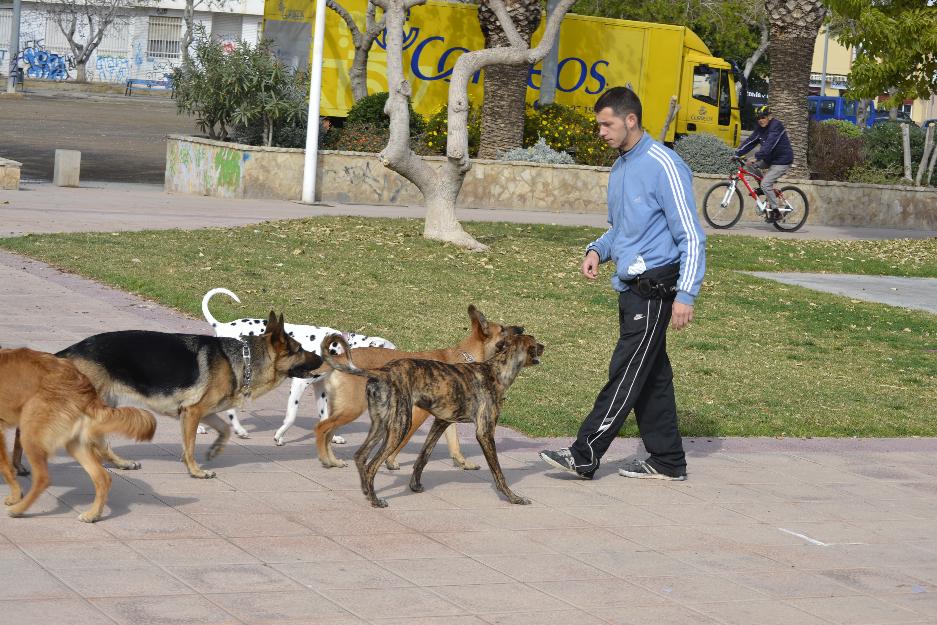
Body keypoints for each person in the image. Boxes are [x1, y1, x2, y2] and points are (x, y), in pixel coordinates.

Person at [539, 87, 706, 481]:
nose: (600, 132)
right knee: (652, 378)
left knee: (626, 371)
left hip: (656, 288)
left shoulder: (664, 164)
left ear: (631, 120)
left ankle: (584, 453)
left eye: (606, 124)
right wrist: (598, 249)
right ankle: (668, 461)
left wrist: (686, 293)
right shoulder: (621, 166)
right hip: (630, 289)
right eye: (599, 124)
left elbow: (692, 236)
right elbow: (622, 230)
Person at [735, 105, 793, 221]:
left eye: (763, 117)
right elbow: (750, 141)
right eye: (758, 118)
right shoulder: (760, 128)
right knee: (748, 165)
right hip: (769, 159)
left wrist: (757, 157)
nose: (761, 120)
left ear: (769, 116)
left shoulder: (776, 126)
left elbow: (769, 145)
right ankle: (762, 188)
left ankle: (776, 212)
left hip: (782, 160)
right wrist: (737, 153)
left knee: (766, 183)